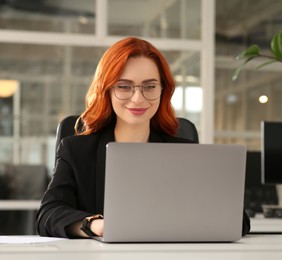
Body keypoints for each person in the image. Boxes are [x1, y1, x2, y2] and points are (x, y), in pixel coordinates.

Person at [35, 36, 250, 238]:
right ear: (107, 90)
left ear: (163, 90)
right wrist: (97, 225)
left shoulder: (184, 152)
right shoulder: (76, 150)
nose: (137, 98)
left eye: (149, 86)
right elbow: (47, 215)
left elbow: (237, 221)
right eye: (124, 86)